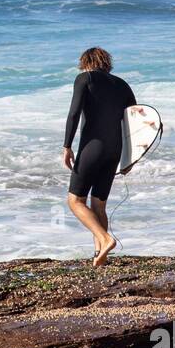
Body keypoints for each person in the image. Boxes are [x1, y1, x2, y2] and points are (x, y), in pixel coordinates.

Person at [62, 47, 136, 267]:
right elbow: (134, 122)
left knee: (75, 200)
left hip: (92, 147)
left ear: (86, 62)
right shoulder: (122, 84)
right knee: (99, 205)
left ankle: (105, 239)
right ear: (107, 63)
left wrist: (67, 146)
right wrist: (130, 157)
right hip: (114, 149)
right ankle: (100, 254)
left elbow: (74, 113)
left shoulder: (85, 78)